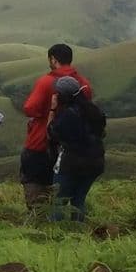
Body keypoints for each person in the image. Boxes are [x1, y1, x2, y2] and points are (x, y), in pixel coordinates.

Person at [21, 44, 93, 211]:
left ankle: (40, 221)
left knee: (35, 184)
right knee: (65, 192)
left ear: (53, 59)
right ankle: (64, 222)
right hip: (72, 147)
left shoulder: (46, 81)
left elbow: (30, 108)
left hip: (41, 142)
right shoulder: (83, 83)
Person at [49, 76, 106, 222]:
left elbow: (51, 133)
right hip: (95, 163)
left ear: (62, 96)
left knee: (58, 202)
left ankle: (55, 235)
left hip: (72, 163)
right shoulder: (93, 110)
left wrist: (53, 109)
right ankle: (78, 233)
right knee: (78, 200)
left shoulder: (68, 115)